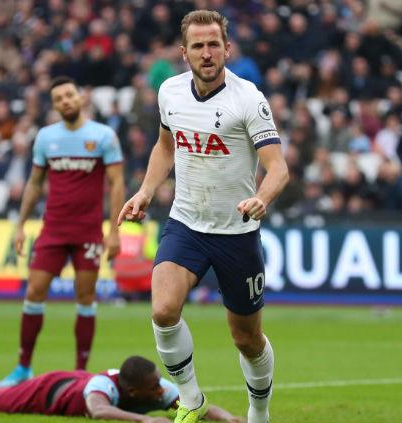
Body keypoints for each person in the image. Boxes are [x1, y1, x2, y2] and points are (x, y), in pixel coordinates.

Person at [117, 10, 289, 423]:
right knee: (162, 309)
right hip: (187, 224)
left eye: (214, 44)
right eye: (198, 46)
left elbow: (278, 167)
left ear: (226, 49)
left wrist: (262, 198)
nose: (207, 53)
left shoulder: (248, 98)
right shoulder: (170, 92)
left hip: (237, 232)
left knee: (246, 339)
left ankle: (259, 413)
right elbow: (165, 146)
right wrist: (144, 191)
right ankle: (191, 399)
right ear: (184, 52)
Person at [0, 76, 125, 387]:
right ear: (54, 105)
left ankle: (80, 371)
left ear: (81, 97)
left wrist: (114, 232)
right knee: (33, 292)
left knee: (85, 298)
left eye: (69, 95)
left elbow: (117, 183)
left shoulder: (103, 136)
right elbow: (34, 183)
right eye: (59, 99)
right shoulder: (45, 138)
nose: (65, 101)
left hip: (88, 233)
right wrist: (20, 225)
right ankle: (23, 367)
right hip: (52, 230)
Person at [0, 355, 244, 423]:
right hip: (44, 390)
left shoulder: (152, 386)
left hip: (67, 382)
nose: (162, 392)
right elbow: (99, 411)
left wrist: (229, 418)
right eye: (153, 389)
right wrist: (142, 420)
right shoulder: (106, 388)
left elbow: (197, 403)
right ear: (132, 390)